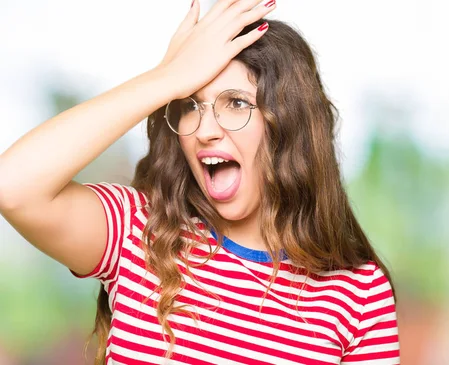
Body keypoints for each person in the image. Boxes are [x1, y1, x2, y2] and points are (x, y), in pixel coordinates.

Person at [0, 0, 400, 364]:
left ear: (290, 125)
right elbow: (13, 186)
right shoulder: (138, 231)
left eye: (237, 103)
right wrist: (166, 78)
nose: (205, 129)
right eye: (191, 105)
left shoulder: (360, 293)